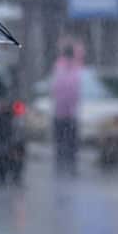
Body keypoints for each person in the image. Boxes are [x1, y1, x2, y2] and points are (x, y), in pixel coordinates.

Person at [51, 43, 84, 174]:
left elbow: (54, 89)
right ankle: (71, 166)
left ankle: (60, 166)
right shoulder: (77, 68)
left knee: (60, 143)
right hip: (72, 114)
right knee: (71, 143)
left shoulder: (58, 67)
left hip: (59, 113)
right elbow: (77, 91)